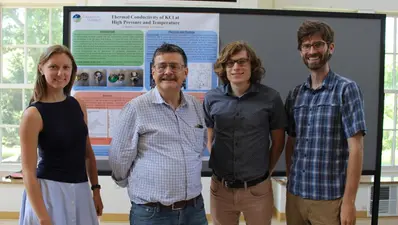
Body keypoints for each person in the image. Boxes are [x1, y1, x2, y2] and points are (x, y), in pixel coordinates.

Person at [109, 43, 208, 225]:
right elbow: (119, 157)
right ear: (153, 72)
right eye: (162, 66)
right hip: (152, 213)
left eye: (174, 66)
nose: (168, 71)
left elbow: (200, 146)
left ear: (185, 72)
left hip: (194, 211)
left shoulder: (196, 106)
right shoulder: (136, 108)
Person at [284, 20, 367, 225]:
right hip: (296, 197)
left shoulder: (346, 90)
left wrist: (349, 202)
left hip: (330, 200)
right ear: (300, 51)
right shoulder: (295, 94)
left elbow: (356, 149)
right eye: (306, 46)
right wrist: (290, 182)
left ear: (330, 47)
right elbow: (291, 144)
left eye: (317, 44)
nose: (312, 51)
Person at [203, 41, 287, 225]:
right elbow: (209, 135)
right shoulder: (211, 98)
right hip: (221, 190)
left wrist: (266, 171)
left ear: (252, 66)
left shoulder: (271, 98)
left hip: (257, 189)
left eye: (242, 62)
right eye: (230, 63)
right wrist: (218, 161)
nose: (236, 67)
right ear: (224, 68)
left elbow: (279, 142)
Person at [18, 45, 103, 225]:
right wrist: (42, 216)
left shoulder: (78, 104)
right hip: (48, 193)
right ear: (41, 68)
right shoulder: (33, 115)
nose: (60, 73)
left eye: (66, 67)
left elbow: (87, 154)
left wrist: (96, 190)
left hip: (81, 191)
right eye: (53, 67)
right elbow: (28, 172)